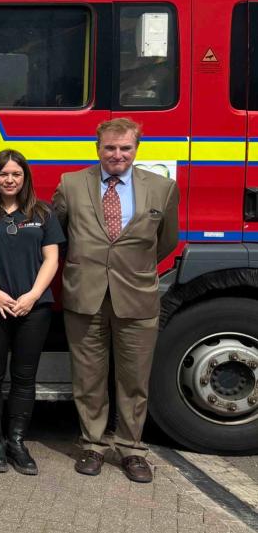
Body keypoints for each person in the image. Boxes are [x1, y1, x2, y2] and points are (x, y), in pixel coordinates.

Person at [53, 118, 179, 483]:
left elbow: (165, 240)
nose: (117, 155)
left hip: (137, 296)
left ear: (136, 149)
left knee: (134, 378)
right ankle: (92, 444)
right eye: (110, 148)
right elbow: (59, 233)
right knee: (88, 377)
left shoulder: (162, 188)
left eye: (125, 148)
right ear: (97, 148)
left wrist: (133, 268)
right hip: (84, 295)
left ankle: (131, 448)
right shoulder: (71, 185)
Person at [0, 150, 63, 475]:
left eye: (16, 174)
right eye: (3, 174)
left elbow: (51, 258)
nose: (9, 180)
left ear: (25, 178)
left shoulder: (43, 212)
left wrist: (33, 296)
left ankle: (17, 442)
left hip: (33, 308)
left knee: (24, 377)